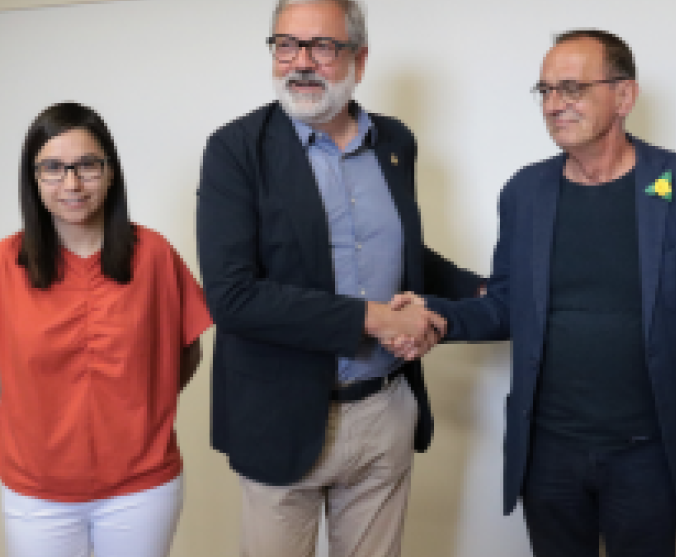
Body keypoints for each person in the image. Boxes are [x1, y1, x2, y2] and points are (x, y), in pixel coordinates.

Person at [397, 29, 676, 557]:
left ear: (624, 95)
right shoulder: (525, 192)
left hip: (648, 454)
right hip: (549, 452)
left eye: (571, 89)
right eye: (546, 90)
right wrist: (437, 316)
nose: (554, 105)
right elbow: (506, 304)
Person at [194, 1, 482, 556]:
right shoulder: (235, 149)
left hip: (383, 410)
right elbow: (233, 297)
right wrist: (375, 319)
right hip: (279, 418)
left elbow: (397, 248)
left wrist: (481, 290)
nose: (301, 62)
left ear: (359, 59)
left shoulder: (395, 142)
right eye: (286, 45)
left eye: (321, 47)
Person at [0, 102, 212, 557]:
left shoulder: (154, 255)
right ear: (33, 178)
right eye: (53, 168)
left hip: (141, 488)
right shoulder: (0, 263)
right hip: (36, 489)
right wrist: (36, 416)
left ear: (110, 173)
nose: (71, 184)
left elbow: (187, 351)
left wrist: (140, 411)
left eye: (87, 165)